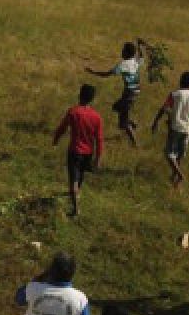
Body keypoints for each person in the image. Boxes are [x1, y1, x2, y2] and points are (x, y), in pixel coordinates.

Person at [52, 85, 104, 217]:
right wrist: (98, 159)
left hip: (75, 151)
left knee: (73, 180)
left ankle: (76, 210)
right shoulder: (96, 117)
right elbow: (99, 140)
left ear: (79, 95)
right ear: (92, 98)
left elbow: (62, 128)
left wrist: (56, 139)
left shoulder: (73, 112)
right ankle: (76, 194)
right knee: (80, 177)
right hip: (88, 153)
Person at [86, 39, 146, 146]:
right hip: (136, 91)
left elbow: (107, 74)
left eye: (123, 50)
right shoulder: (134, 61)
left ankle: (135, 142)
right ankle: (131, 124)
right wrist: (140, 47)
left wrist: (93, 72)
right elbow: (142, 58)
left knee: (123, 122)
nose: (121, 52)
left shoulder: (123, 65)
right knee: (117, 108)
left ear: (127, 53)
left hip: (129, 93)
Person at [151, 71, 189, 187]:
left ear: (180, 80)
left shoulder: (175, 94)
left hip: (175, 128)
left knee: (169, 154)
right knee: (179, 154)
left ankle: (179, 175)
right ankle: (175, 178)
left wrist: (155, 122)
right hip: (187, 129)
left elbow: (163, 109)